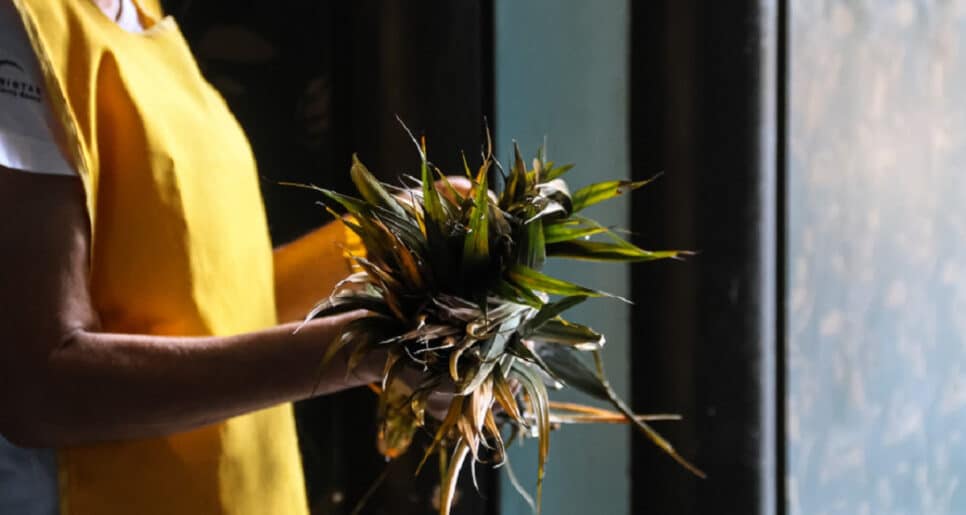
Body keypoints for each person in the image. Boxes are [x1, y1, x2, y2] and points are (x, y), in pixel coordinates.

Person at [0, 1, 457, 513]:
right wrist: (363, 350)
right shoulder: (19, 26)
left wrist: (384, 236)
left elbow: (228, 306)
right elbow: (40, 390)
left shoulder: (140, 14)